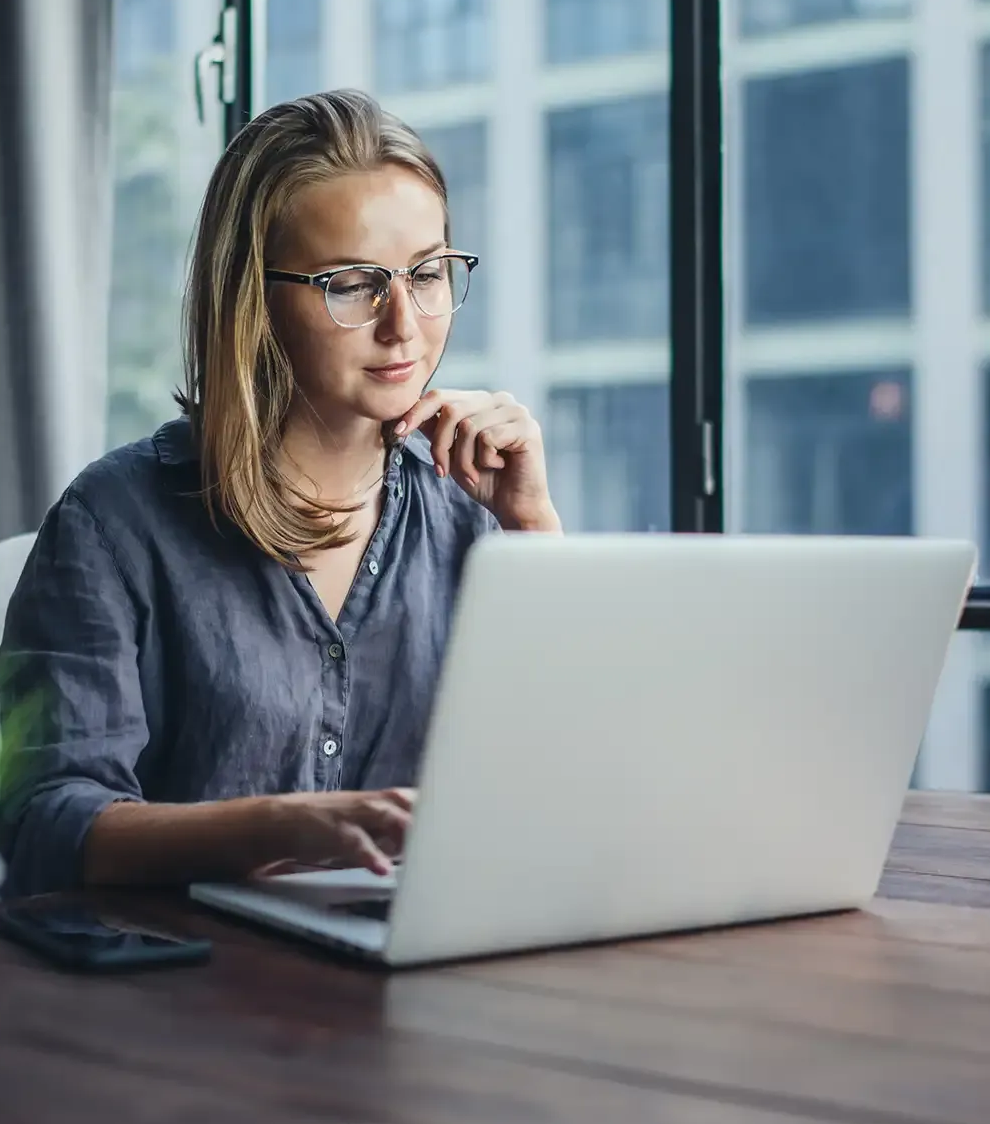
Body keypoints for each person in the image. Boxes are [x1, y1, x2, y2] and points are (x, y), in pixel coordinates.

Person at [0, 89, 561, 899]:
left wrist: (534, 530)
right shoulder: (114, 522)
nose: (404, 322)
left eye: (429, 273)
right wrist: (278, 827)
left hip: (407, 982)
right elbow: (43, 820)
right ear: (254, 300)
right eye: (352, 283)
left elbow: (579, 794)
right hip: (177, 992)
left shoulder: (474, 513)